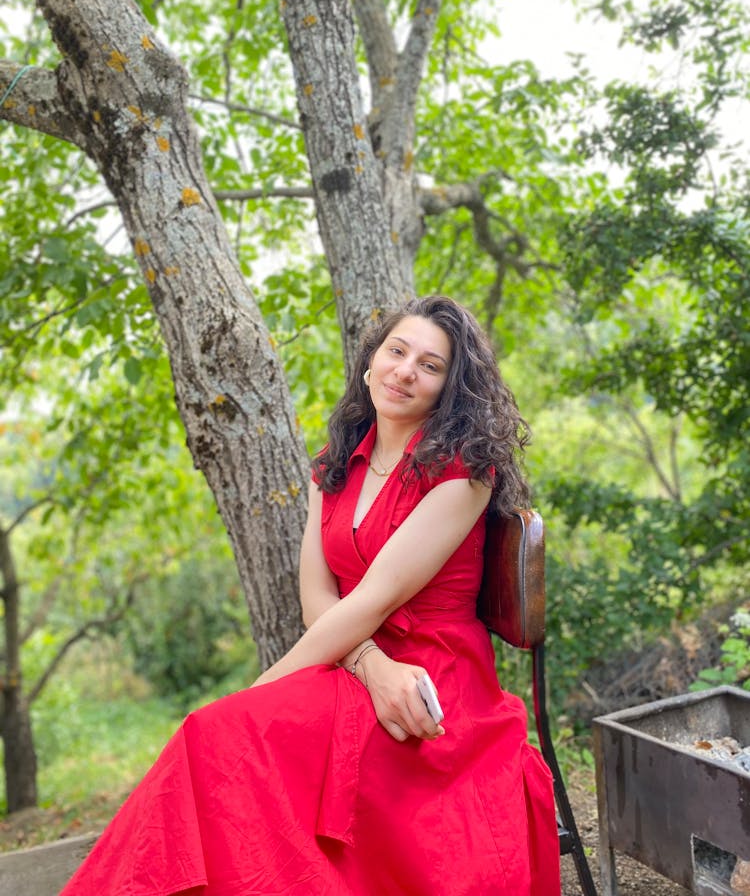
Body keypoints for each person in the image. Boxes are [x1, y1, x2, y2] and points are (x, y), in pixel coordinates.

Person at [61, 295, 561, 896]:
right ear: (371, 360)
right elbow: (317, 596)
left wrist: (266, 685)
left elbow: (372, 599)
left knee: (220, 733)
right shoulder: (335, 463)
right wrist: (370, 666)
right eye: (396, 351)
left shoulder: (463, 473)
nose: (405, 371)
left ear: (450, 387)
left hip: (435, 681)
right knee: (215, 737)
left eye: (430, 366)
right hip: (360, 663)